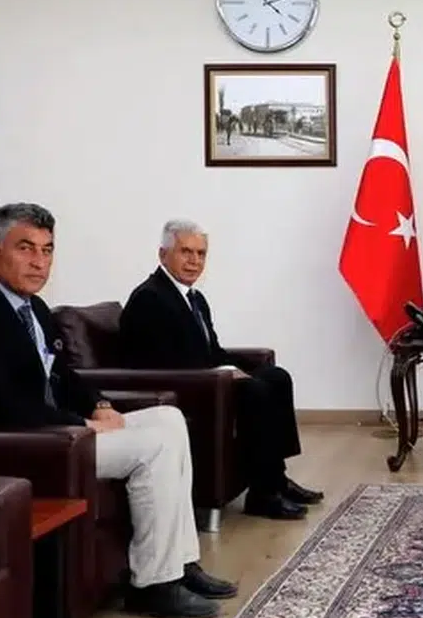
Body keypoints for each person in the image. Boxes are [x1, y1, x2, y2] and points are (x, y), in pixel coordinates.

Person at [0, 203, 237, 618]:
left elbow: (64, 375)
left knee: (168, 419)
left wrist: (99, 404)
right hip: (23, 447)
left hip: (57, 434)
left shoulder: (33, 309)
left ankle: (180, 563)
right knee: (155, 447)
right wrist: (79, 424)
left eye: (47, 250)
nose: (39, 262)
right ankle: (155, 584)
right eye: (25, 248)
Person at [117, 219, 323, 521]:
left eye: (201, 254)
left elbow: (212, 350)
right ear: (163, 255)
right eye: (186, 252)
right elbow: (163, 362)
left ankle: (276, 480)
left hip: (207, 381)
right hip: (179, 393)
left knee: (276, 377)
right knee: (254, 390)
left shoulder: (195, 298)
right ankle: (262, 496)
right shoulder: (150, 297)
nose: (194, 261)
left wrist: (237, 367)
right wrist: (224, 374)